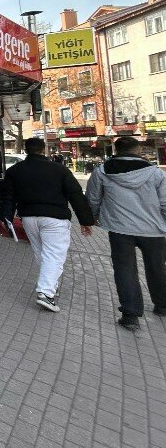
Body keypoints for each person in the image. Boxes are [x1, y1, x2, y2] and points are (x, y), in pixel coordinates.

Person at [0, 137, 94, 312]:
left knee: (41, 253)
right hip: (54, 219)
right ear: (43, 150)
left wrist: (5, 217)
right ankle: (45, 292)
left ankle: (49, 284)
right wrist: (86, 220)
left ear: (26, 150)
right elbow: (75, 194)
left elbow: (8, 197)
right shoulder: (59, 169)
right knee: (54, 255)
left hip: (28, 218)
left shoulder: (15, 171)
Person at [85, 136, 166, 332]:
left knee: (124, 269)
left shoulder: (102, 171)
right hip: (153, 230)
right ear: (138, 150)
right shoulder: (155, 173)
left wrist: (92, 217)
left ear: (116, 149)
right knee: (157, 267)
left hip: (120, 229)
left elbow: (93, 199)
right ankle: (162, 305)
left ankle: (130, 315)